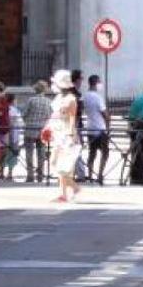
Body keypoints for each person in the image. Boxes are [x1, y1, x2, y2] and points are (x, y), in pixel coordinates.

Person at [47, 69, 81, 203]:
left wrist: (71, 135)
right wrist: (47, 128)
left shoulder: (71, 99)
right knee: (55, 162)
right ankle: (68, 191)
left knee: (63, 166)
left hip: (66, 134)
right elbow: (53, 115)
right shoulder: (58, 98)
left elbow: (72, 118)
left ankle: (69, 190)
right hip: (57, 132)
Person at [22, 80, 52, 182]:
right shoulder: (48, 101)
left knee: (29, 152)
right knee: (41, 152)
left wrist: (27, 120)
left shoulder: (31, 100)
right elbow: (50, 116)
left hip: (30, 128)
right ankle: (40, 174)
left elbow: (24, 114)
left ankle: (30, 174)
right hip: (43, 129)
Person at [83, 74, 110, 185]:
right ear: (96, 83)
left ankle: (89, 174)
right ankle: (99, 174)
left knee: (92, 153)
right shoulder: (97, 97)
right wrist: (108, 124)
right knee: (105, 153)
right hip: (100, 129)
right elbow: (104, 113)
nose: (101, 85)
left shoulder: (85, 96)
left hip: (90, 128)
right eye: (99, 82)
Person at [5, 93, 24, 179]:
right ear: (13, 100)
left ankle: (1, 172)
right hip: (13, 133)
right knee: (12, 153)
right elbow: (18, 122)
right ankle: (10, 172)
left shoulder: (4, 109)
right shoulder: (14, 110)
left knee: (5, 152)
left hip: (4, 133)